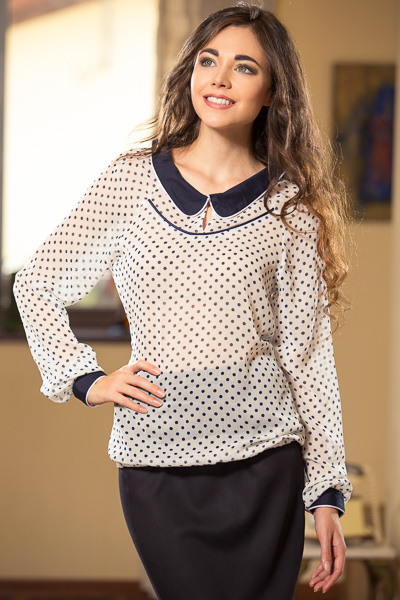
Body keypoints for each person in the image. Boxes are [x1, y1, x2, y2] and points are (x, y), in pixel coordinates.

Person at [14, 2, 353, 599]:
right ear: (190, 71)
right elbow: (37, 284)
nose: (220, 78)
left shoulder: (291, 208)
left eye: (244, 67)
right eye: (208, 60)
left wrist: (326, 492)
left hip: (266, 464)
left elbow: (308, 358)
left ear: (272, 91)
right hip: (156, 465)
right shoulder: (131, 182)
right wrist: (86, 379)